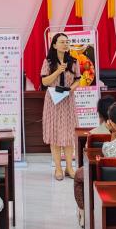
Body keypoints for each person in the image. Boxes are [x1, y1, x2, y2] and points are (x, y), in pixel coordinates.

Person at [40, 32, 80, 180]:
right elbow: (44, 82)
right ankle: (58, 168)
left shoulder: (74, 61)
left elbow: (77, 80)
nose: (65, 44)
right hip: (53, 100)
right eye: (62, 42)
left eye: (67, 42)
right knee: (55, 134)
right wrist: (58, 70)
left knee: (69, 134)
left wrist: (70, 90)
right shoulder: (48, 62)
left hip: (68, 100)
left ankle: (70, 167)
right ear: (55, 45)